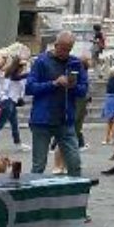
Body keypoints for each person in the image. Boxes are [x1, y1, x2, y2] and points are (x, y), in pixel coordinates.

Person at [26, 31, 89, 177]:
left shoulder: (75, 63)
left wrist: (73, 86)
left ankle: (73, 196)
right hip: (42, 120)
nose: (65, 53)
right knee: (39, 165)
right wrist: (54, 83)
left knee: (75, 163)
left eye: (69, 49)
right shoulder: (41, 61)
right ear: (55, 45)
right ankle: (34, 196)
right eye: (63, 48)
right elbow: (30, 88)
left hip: (65, 120)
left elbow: (83, 90)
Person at [0, 54, 27, 151]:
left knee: (14, 124)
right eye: (21, 67)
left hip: (11, 102)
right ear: (17, 67)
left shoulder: (13, 75)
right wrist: (30, 74)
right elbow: (16, 78)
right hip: (7, 102)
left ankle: (18, 143)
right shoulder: (12, 75)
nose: (23, 69)